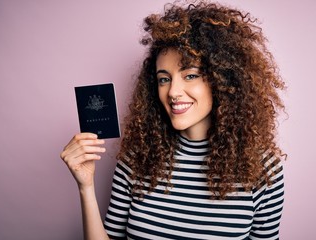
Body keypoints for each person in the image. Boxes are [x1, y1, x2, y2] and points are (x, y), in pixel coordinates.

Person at [60, 1, 286, 239]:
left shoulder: (263, 169)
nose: (173, 92)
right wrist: (85, 187)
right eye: (164, 79)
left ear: (223, 80)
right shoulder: (137, 157)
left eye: (190, 75)